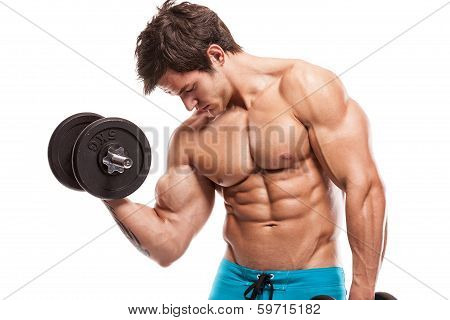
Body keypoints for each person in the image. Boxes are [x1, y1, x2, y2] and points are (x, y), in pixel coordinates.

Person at [104, 0, 387, 300]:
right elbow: (167, 243)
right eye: (178, 96)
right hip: (235, 286)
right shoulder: (191, 137)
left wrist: (362, 294)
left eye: (189, 89)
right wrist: (105, 186)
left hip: (312, 283)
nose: (188, 105)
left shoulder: (306, 87)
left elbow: (364, 188)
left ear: (215, 56)